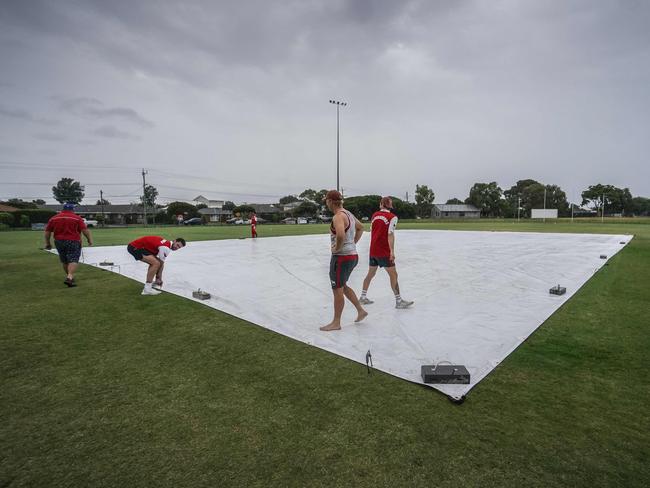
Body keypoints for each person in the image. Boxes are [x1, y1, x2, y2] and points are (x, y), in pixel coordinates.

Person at [320, 190, 368, 332]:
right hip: (352, 256)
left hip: (341, 258)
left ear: (330, 201)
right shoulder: (348, 214)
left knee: (337, 290)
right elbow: (360, 227)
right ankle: (360, 310)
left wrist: (337, 248)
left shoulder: (338, 216)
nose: (326, 204)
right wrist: (352, 244)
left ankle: (336, 322)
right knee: (343, 286)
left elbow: (340, 235)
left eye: (326, 201)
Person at [359, 196, 414, 309]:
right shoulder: (392, 217)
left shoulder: (374, 215)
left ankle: (363, 297)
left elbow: (372, 230)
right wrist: (392, 251)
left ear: (381, 204)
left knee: (370, 274)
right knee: (393, 275)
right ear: (390, 205)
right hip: (383, 251)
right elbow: (390, 234)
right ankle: (399, 301)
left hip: (373, 250)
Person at [44, 202, 93, 287]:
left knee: (65, 260)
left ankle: (70, 278)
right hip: (73, 241)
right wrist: (89, 240)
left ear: (63, 209)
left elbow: (47, 232)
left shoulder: (53, 218)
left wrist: (48, 243)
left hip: (59, 241)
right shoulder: (77, 218)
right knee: (73, 259)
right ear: (72, 209)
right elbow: (85, 230)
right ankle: (70, 277)